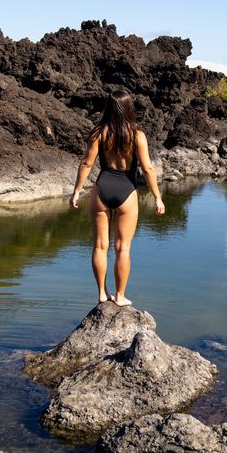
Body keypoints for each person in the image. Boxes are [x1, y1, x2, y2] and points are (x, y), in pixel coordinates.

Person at [70, 89, 165, 306]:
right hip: (126, 191)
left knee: (100, 245)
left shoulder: (99, 132)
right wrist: (157, 197)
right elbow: (148, 169)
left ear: (109, 108)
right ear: (130, 108)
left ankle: (102, 293)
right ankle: (120, 296)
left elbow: (86, 163)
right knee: (123, 248)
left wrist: (76, 191)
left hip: (101, 189)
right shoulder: (137, 135)